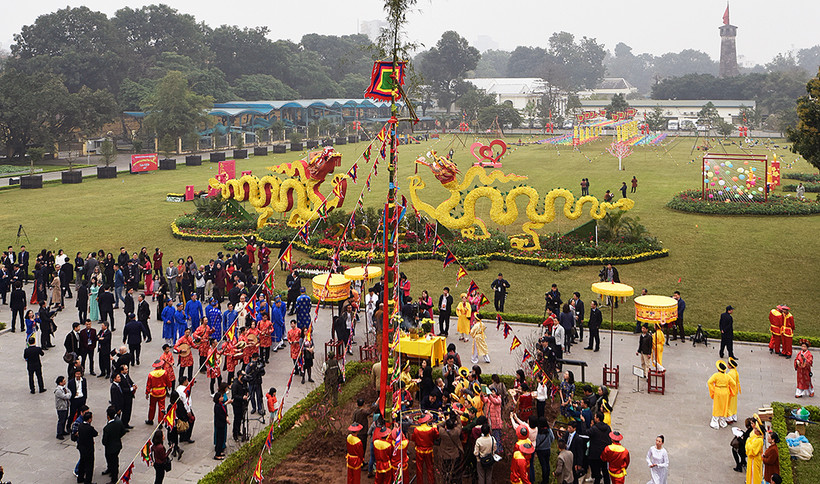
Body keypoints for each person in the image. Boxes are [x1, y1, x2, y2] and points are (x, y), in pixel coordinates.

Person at [707, 360, 738, 429]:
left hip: (718, 391)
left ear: (718, 369)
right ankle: (722, 422)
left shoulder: (716, 375)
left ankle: (715, 422)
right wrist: (730, 390)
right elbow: (733, 384)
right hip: (725, 392)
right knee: (724, 406)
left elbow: (709, 382)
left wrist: (713, 389)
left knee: (717, 406)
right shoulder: (727, 376)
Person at [412, 413, 439, 484]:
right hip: (428, 451)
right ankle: (431, 482)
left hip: (419, 451)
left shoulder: (416, 429)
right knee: (430, 467)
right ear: (427, 421)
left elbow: (413, 438)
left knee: (419, 468)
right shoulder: (431, 429)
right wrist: (435, 427)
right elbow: (436, 436)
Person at [102, 406, 126, 483]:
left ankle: (114, 478)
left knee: (113, 461)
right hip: (117, 445)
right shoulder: (119, 423)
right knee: (111, 459)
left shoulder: (107, 428)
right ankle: (110, 469)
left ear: (108, 416)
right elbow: (123, 431)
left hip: (110, 447)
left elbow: (104, 441)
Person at [586, 411, 612, 484]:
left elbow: (586, 433)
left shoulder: (594, 428)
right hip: (605, 453)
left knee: (597, 473)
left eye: (595, 416)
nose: (594, 418)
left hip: (595, 455)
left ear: (597, 418)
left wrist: (585, 423)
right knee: (605, 471)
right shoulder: (607, 428)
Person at [146, 360, 170, 425]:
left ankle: (150, 419)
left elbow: (148, 384)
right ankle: (160, 422)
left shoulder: (151, 374)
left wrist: (147, 393)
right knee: (161, 407)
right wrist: (169, 386)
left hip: (154, 392)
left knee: (152, 407)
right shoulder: (164, 372)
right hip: (162, 392)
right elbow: (168, 381)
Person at [76, 410, 98, 484]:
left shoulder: (80, 426)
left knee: (82, 463)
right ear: (89, 419)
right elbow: (95, 433)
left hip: (81, 448)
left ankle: (80, 478)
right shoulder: (90, 428)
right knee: (89, 466)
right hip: (88, 449)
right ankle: (88, 481)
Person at [745, 415, 765, 484]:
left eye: (756, 429)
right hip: (752, 460)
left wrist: (748, 442)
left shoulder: (759, 440)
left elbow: (751, 450)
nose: (755, 430)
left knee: (754, 477)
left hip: (755, 460)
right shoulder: (756, 437)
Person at [213, 384, 230, 459]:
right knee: (219, 438)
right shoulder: (217, 406)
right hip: (220, 424)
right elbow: (220, 415)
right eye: (221, 397)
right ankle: (217, 454)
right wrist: (225, 418)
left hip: (222, 423)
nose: (222, 398)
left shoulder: (220, 405)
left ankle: (219, 451)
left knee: (221, 437)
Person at [727, 357, 740, 423]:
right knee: (734, 404)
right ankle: (734, 416)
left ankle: (729, 417)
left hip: (730, 390)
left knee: (729, 404)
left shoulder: (729, 373)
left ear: (730, 366)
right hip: (735, 390)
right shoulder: (735, 372)